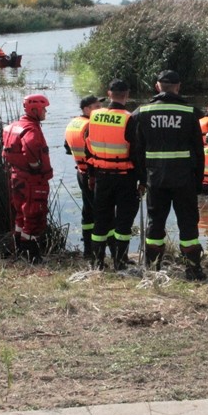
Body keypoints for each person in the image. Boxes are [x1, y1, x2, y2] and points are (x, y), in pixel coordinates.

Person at [133, 70, 207, 281]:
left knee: (155, 223)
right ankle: (193, 269)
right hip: (184, 179)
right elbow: (199, 150)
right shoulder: (190, 112)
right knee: (188, 223)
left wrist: (141, 179)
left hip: (155, 179)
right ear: (178, 86)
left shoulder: (142, 112)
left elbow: (137, 151)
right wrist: (199, 180)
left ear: (158, 86)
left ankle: (152, 269)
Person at [84, 79, 141, 271]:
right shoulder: (129, 118)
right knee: (123, 223)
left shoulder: (94, 116)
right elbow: (136, 153)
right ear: (127, 94)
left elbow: (88, 149)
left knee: (100, 220)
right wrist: (143, 180)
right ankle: (120, 261)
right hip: (125, 177)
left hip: (101, 176)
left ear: (109, 94)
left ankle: (97, 262)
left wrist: (91, 176)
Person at [2, 93, 53, 264]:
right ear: (35, 109)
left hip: (16, 176)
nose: (45, 112)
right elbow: (30, 147)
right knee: (34, 214)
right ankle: (32, 256)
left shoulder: (13, 126)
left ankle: (19, 250)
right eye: (44, 109)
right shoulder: (31, 129)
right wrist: (36, 167)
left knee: (20, 214)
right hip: (32, 180)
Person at [64, 95, 104, 255]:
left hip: (80, 172)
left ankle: (87, 248)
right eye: (96, 107)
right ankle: (99, 251)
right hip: (92, 175)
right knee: (100, 212)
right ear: (86, 109)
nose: (100, 109)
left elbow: (67, 149)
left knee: (88, 211)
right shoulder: (90, 126)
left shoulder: (73, 123)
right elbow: (94, 151)